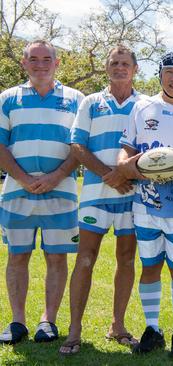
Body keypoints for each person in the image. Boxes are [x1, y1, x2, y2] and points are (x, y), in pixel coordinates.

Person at [58, 45, 144, 355]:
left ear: (135, 69)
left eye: (125, 63)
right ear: (107, 68)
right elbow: (77, 145)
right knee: (85, 259)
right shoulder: (91, 102)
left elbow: (148, 148)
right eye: (114, 63)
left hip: (132, 195)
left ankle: (117, 326)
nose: (120, 67)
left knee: (126, 260)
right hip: (96, 194)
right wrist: (110, 174)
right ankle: (74, 330)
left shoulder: (145, 104)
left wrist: (126, 174)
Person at [117, 50, 173, 358]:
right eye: (169, 72)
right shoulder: (142, 106)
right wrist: (126, 166)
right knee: (150, 265)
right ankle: (152, 329)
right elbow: (125, 149)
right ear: (160, 75)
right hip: (146, 203)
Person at [0, 40, 83, 344]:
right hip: (16, 192)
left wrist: (58, 175)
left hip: (60, 191)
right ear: (24, 64)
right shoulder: (7, 99)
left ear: (57, 63)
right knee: (17, 256)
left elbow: (80, 145)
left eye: (46, 59)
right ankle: (17, 321)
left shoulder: (76, 99)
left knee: (56, 257)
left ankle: (48, 321)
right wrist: (22, 177)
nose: (40, 64)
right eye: (33, 59)